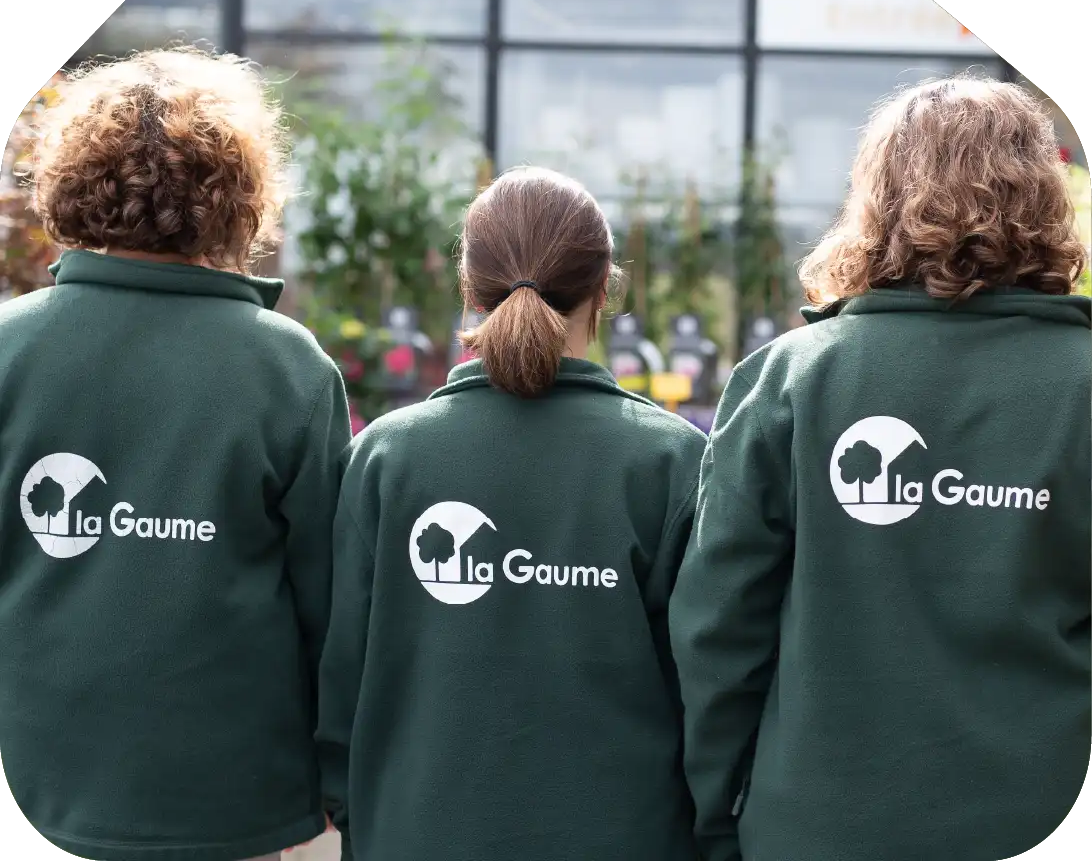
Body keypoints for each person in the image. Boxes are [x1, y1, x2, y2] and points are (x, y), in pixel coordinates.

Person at [669, 74, 1090, 861]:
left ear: (878, 197)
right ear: (1044, 195)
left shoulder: (791, 380)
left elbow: (718, 632)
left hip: (815, 831)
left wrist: (716, 814)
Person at [0, 47, 351, 861]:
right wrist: (340, 785)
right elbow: (331, 613)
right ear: (238, 196)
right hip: (241, 808)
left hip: (31, 796)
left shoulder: (9, 352)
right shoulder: (287, 369)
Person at [316, 165, 707, 861]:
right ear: (603, 289)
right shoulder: (670, 462)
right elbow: (704, 689)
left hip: (414, 835)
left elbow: (338, 676)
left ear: (467, 289)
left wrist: (355, 811)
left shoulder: (385, 457)